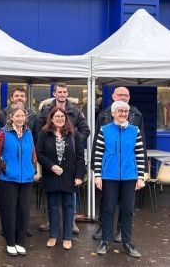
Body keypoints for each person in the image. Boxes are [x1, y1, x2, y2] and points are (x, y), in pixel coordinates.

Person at [93, 101, 146, 258]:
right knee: (108, 209)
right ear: (113, 113)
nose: (123, 114)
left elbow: (140, 154)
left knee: (128, 210)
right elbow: (98, 154)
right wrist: (97, 175)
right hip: (109, 175)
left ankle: (127, 242)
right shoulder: (105, 130)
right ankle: (106, 241)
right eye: (120, 111)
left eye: (125, 111)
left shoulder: (134, 130)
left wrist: (141, 176)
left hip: (130, 176)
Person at [38, 83, 90, 233]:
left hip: (70, 161)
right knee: (52, 199)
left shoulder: (76, 111)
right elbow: (39, 130)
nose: (62, 94)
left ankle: (71, 222)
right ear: (54, 94)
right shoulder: (47, 110)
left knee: (70, 198)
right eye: (59, 92)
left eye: (64, 92)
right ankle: (51, 222)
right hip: (50, 159)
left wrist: (74, 140)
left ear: (67, 94)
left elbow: (86, 129)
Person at [36, 107, 85, 250]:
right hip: (51, 175)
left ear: (66, 118)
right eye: (56, 116)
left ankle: (67, 237)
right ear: (51, 118)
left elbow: (80, 157)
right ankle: (53, 236)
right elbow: (39, 154)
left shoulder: (74, 134)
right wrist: (51, 166)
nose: (60, 119)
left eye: (62, 117)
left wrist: (79, 176)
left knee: (69, 207)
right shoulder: (44, 134)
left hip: (70, 177)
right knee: (52, 207)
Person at [0, 104, 35, 256]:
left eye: (22, 116)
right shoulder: (3, 132)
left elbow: (32, 153)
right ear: (11, 117)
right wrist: (6, 169)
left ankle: (20, 242)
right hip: (8, 179)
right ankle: (10, 242)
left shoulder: (28, 132)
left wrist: (33, 168)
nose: (20, 118)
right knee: (9, 211)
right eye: (17, 116)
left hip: (27, 179)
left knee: (24, 211)